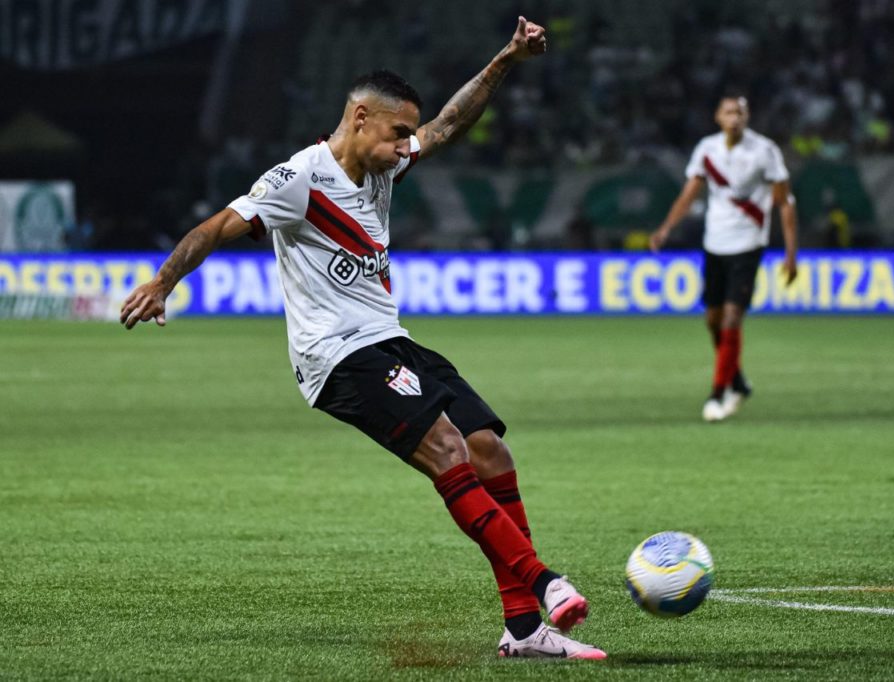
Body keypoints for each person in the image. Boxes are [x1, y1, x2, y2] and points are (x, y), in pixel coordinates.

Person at [120, 18, 605, 661]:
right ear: (358, 118)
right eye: (397, 132)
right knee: (447, 447)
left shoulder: (383, 169)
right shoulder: (298, 180)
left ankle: (523, 630)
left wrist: (507, 59)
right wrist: (163, 280)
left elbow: (450, 126)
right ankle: (545, 583)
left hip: (389, 339)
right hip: (336, 358)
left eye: (409, 133)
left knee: (490, 451)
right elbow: (217, 226)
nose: (408, 144)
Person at [649, 96, 798, 422]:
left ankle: (718, 393)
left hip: (748, 243)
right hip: (715, 243)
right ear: (718, 117)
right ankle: (739, 382)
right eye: (729, 112)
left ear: (748, 117)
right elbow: (689, 193)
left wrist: (790, 253)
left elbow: (784, 202)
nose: (735, 118)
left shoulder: (764, 151)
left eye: (741, 112)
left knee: (732, 318)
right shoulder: (707, 149)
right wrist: (666, 228)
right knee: (713, 320)